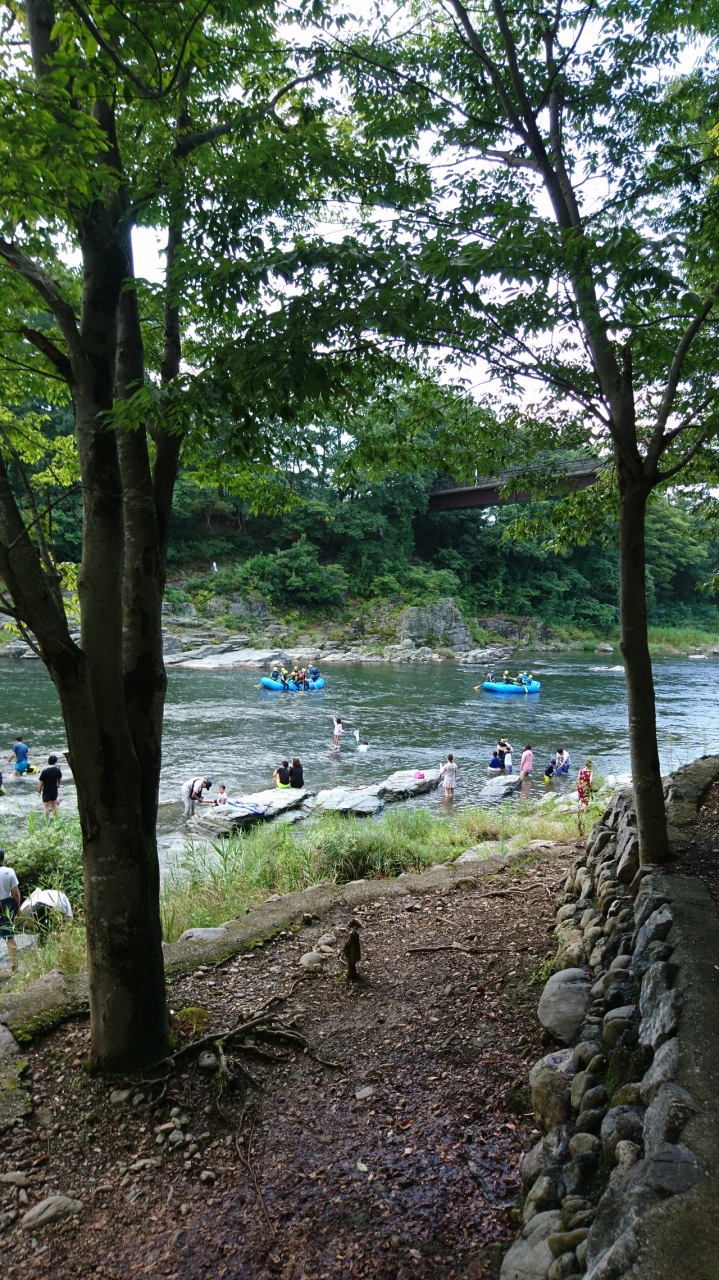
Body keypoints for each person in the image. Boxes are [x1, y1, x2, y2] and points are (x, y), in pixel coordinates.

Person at [0, 849, 20, 971]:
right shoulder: (9, 871)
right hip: (6, 906)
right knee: (9, 935)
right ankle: (13, 965)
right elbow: (15, 893)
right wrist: (17, 908)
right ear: (3, 858)